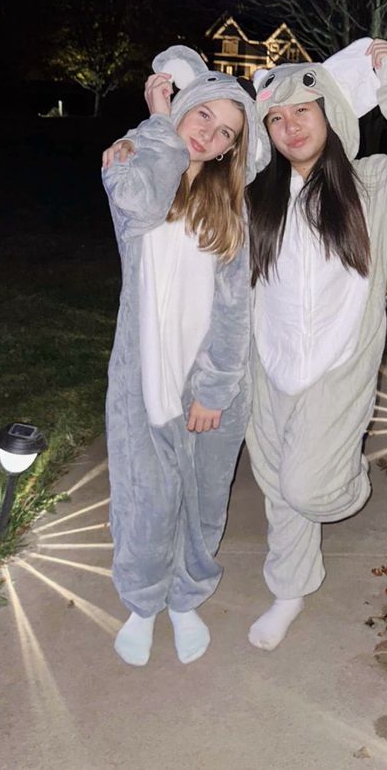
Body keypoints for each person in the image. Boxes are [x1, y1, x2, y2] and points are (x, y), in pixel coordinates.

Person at [244, 38, 387, 650]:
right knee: (280, 489)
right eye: (276, 119)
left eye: (301, 112)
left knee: (311, 487)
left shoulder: (374, 185)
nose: (289, 127)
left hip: (337, 368)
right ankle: (288, 592)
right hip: (271, 366)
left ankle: (347, 481)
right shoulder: (259, 194)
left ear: (330, 114)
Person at [101, 45, 268, 667]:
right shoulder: (133, 165)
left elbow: (233, 308)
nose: (211, 136)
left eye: (226, 133)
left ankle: (185, 598)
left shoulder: (229, 206)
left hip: (206, 386)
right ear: (184, 107)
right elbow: (141, 205)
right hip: (144, 376)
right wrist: (157, 120)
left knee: (200, 497)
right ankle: (143, 602)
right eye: (204, 118)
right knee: (148, 497)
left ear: (232, 148)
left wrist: (215, 389)